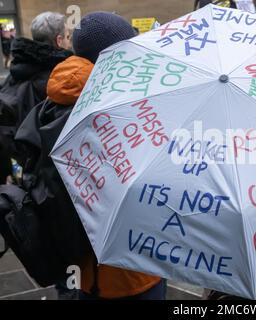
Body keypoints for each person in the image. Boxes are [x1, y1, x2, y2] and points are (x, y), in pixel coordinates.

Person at [15, 11, 165, 300]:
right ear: (116, 56)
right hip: (134, 270)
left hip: (82, 266)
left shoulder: (58, 97)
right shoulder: (116, 108)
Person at [0, 12, 72, 184]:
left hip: (21, 164)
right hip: (48, 171)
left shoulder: (17, 70)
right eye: (68, 37)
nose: (70, 42)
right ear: (59, 40)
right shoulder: (60, 77)